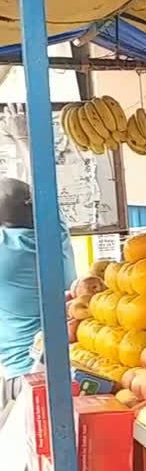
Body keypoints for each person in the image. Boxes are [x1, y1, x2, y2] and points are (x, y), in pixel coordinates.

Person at [0, 178, 76, 417]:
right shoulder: (58, 236)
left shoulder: (5, 255)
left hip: (24, 375)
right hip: (69, 368)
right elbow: (47, 200)